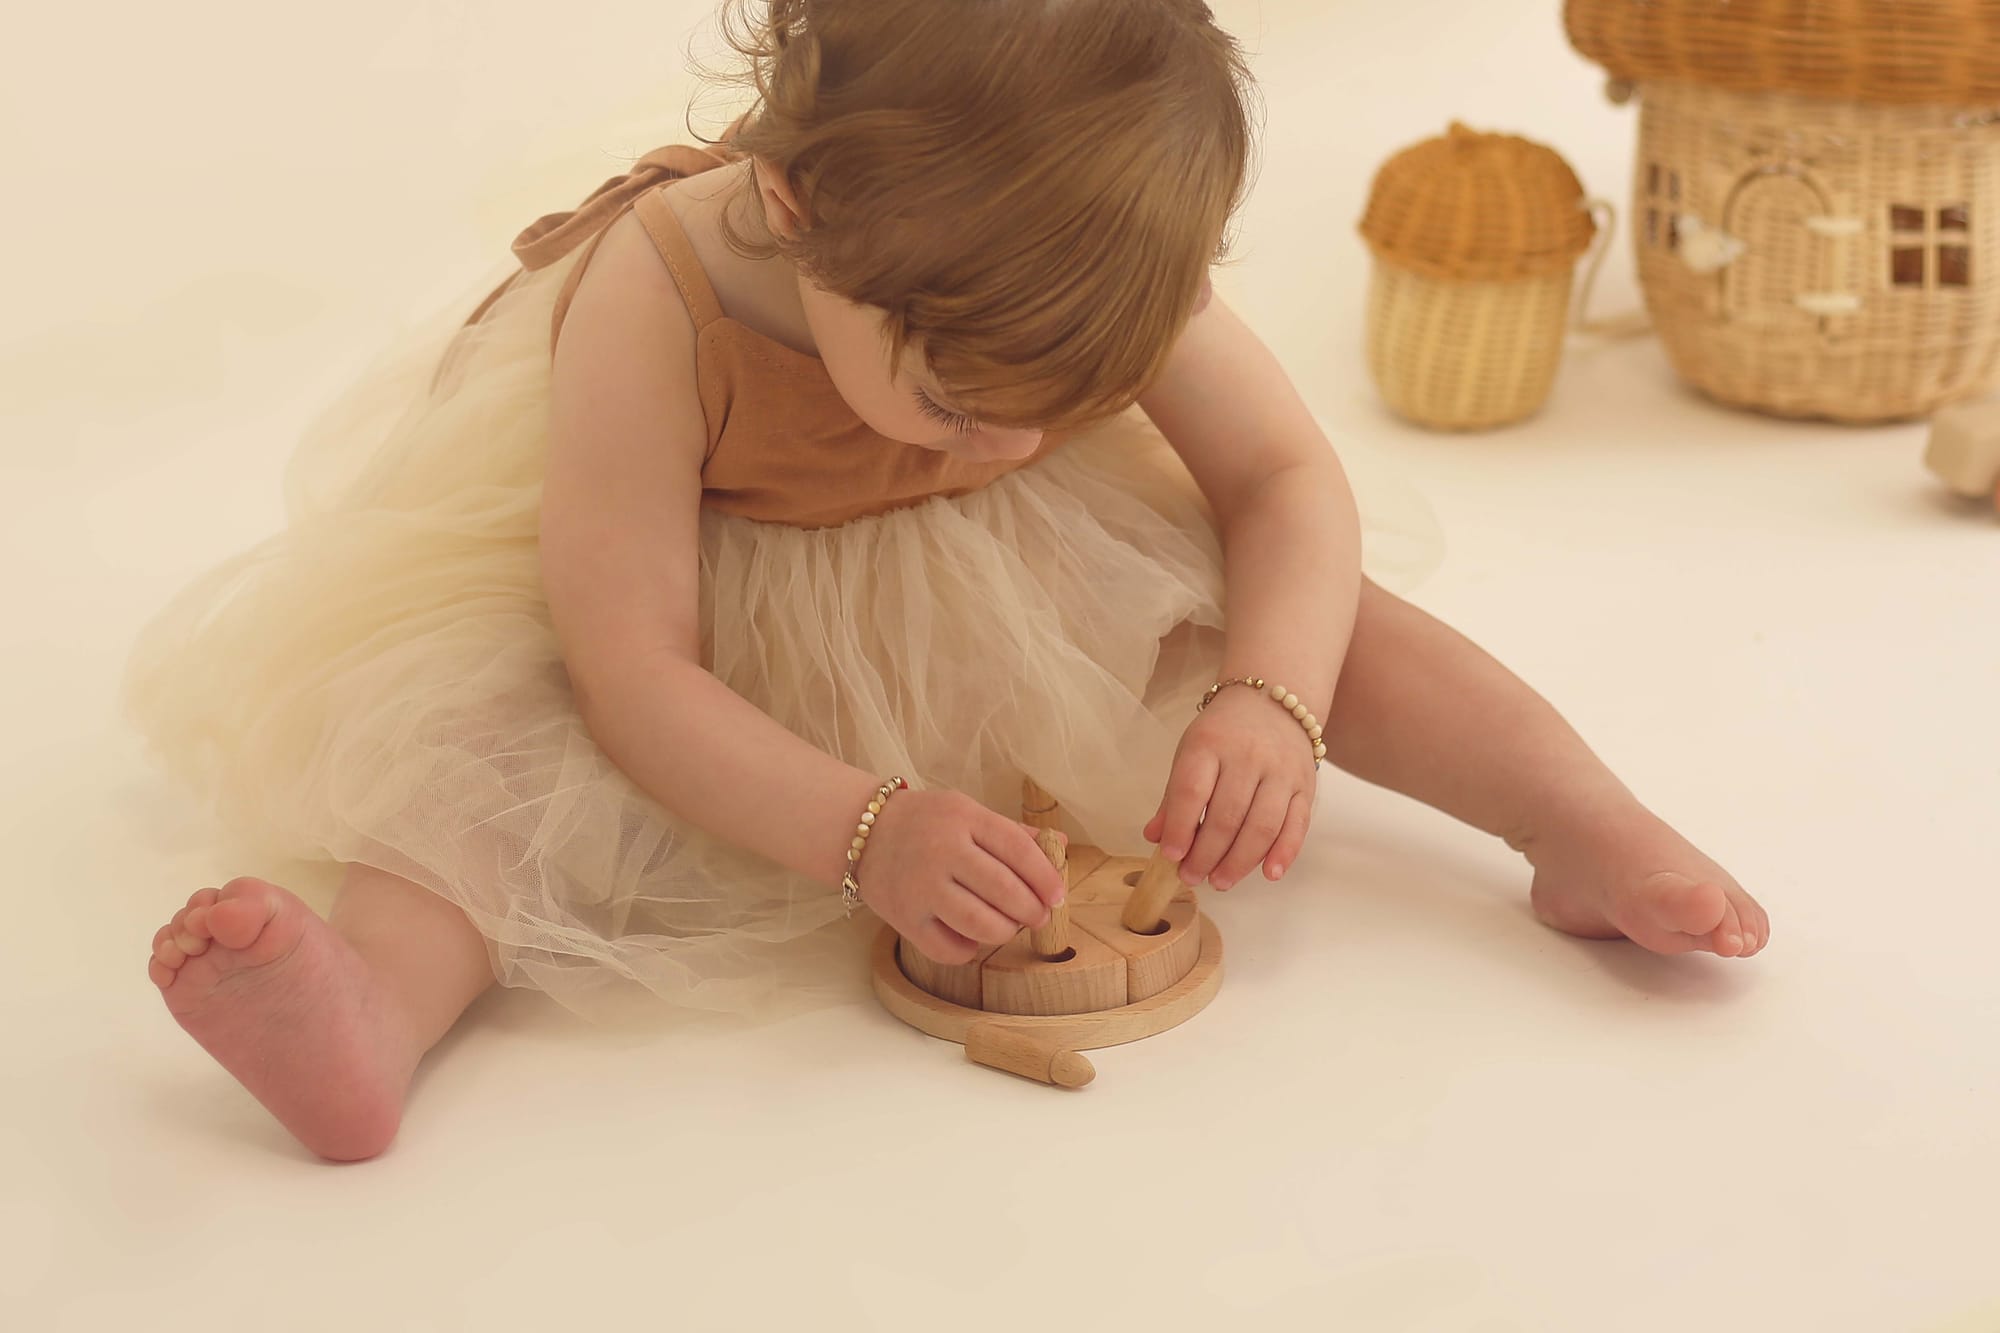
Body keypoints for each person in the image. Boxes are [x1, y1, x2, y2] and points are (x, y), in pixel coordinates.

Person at [129, 0, 1768, 1163]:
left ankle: (1573, 820)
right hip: (682, 604)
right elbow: (633, 668)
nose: (1021, 437)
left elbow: (1283, 481)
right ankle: (377, 1006)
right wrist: (864, 827)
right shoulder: (659, 296)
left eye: (1069, 396)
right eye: (962, 400)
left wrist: (1272, 697)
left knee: (1298, 621)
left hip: (990, 576)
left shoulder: (1081, 251)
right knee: (489, 752)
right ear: (796, 212)